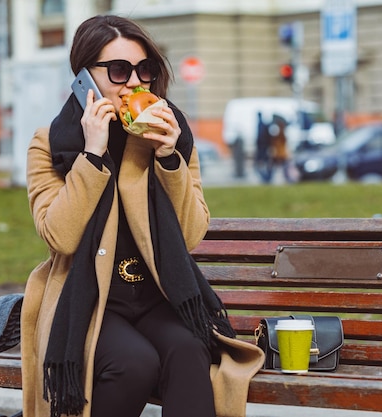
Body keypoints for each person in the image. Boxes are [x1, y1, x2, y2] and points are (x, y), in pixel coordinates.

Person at [21, 15, 264, 417]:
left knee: (190, 352)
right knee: (133, 363)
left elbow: (190, 234)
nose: (135, 82)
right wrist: (92, 156)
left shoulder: (170, 137)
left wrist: (169, 160)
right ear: (86, 77)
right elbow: (59, 236)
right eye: (118, 70)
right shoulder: (51, 143)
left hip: (156, 296)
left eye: (145, 69)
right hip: (88, 300)